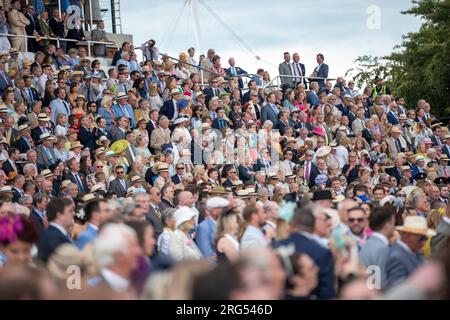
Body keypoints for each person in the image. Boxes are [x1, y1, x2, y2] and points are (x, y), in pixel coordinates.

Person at [273, 206, 335, 299]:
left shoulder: (273, 247)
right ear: (314, 227)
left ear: (291, 225)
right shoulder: (322, 251)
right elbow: (326, 291)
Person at [386, 216, 436, 288]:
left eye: (426, 238)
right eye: (422, 238)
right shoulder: (396, 257)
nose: (424, 242)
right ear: (407, 236)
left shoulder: (414, 252)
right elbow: (398, 290)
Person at [359, 206, 396, 288]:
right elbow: (380, 282)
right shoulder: (382, 248)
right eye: (393, 224)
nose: (394, 227)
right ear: (387, 225)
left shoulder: (368, 243)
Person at [37, 198, 74, 263]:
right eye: (70, 211)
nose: (73, 214)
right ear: (59, 215)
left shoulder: (55, 234)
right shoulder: (54, 238)